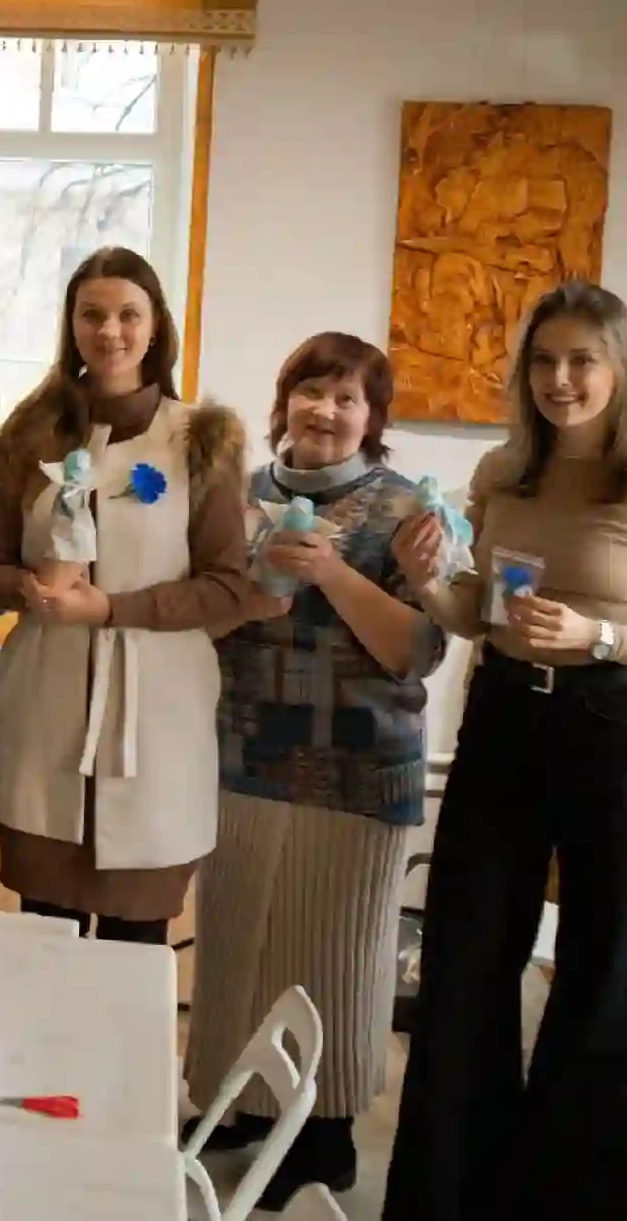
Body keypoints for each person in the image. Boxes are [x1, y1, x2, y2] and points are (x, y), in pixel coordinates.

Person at [385, 282, 627, 1221]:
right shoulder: (504, 472)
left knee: (606, 983)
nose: (560, 380)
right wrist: (428, 582)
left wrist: (599, 636)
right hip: (503, 719)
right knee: (464, 965)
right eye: (544, 360)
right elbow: (478, 616)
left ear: (621, 371)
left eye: (583, 361)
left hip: (616, 735)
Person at [185, 332, 444, 1207]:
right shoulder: (238, 498)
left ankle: (325, 1135)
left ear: (373, 418)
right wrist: (251, 589)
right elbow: (196, 619)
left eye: (346, 398)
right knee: (235, 941)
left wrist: (329, 570)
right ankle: (234, 1104)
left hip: (358, 768)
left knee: (333, 953)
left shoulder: (406, 509)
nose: (324, 411)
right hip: (239, 752)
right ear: (283, 399)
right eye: (310, 391)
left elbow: (414, 650)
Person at [0, 246, 247, 941]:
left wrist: (113, 610)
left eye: (129, 314)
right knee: (45, 941)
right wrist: (27, 588)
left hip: (155, 720)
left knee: (136, 944)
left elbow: (229, 587)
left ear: (156, 325)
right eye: (91, 315)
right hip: (48, 709)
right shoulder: (32, 432)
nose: (110, 331)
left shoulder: (199, 439)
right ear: (71, 325)